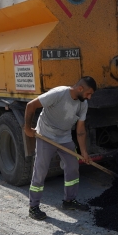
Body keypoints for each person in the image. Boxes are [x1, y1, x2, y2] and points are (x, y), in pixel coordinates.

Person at [23, 77, 97, 220]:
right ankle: (34, 207)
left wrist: (84, 153)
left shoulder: (83, 104)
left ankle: (69, 201)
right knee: (41, 170)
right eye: (89, 93)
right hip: (46, 135)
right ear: (80, 89)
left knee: (73, 167)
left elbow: (80, 130)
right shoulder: (58, 93)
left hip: (64, 137)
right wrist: (27, 128)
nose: (90, 97)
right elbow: (30, 106)